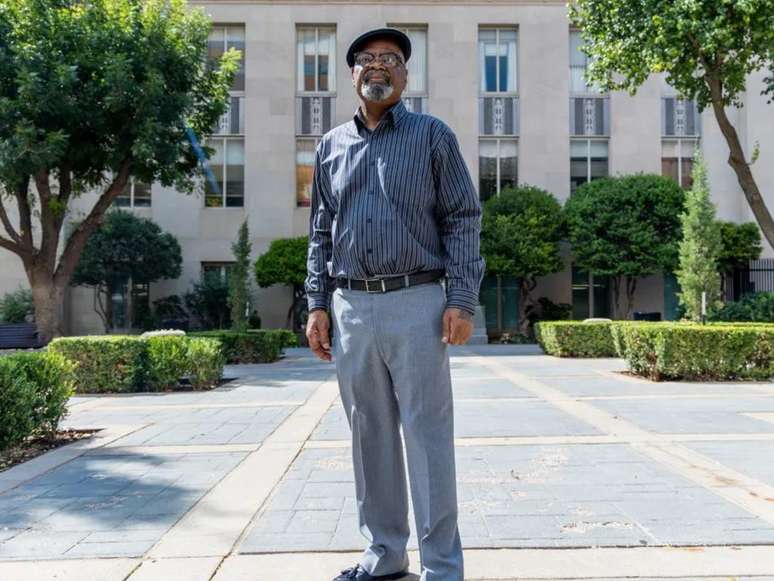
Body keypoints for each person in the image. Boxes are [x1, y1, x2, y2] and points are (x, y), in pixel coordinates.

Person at [304, 27, 485, 581]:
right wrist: (316, 303)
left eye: (391, 59)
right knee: (369, 435)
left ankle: (441, 567)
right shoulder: (331, 146)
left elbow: (462, 217)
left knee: (426, 434)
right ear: (353, 75)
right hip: (352, 307)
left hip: (419, 302)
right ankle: (384, 554)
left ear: (406, 76)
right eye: (367, 59)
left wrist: (461, 298)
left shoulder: (432, 136)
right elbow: (320, 231)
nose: (378, 67)